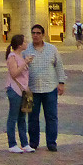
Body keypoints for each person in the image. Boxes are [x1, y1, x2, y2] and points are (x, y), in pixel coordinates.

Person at [25, 24, 67, 152]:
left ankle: (51, 142)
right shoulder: (26, 50)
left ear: (43, 35)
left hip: (50, 88)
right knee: (32, 117)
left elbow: (59, 65)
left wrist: (61, 82)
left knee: (51, 116)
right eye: (33, 33)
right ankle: (33, 142)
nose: (35, 35)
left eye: (38, 33)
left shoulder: (52, 49)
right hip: (31, 89)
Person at [4, 34, 34, 153]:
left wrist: (26, 62)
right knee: (13, 117)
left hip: (23, 90)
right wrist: (25, 62)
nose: (27, 43)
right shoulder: (12, 56)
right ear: (20, 44)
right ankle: (12, 144)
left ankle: (25, 143)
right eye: (25, 42)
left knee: (22, 117)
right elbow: (14, 73)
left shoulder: (20, 56)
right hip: (14, 89)